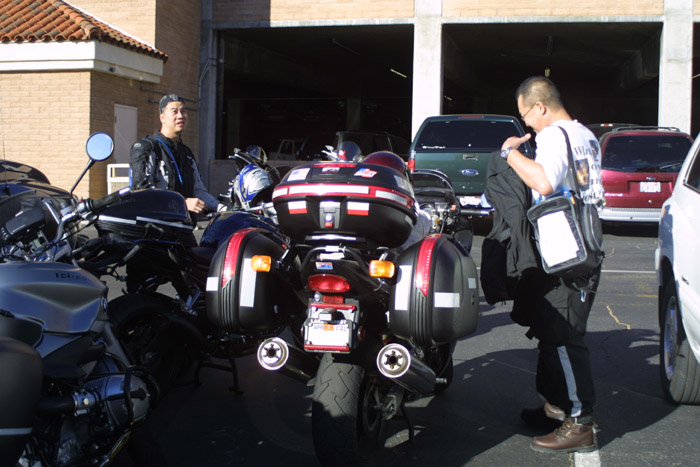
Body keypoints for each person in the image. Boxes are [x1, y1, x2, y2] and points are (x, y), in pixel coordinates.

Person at [499, 76, 604, 453]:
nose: (526, 124)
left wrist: (510, 152)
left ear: (540, 107)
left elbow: (544, 183)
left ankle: (580, 423)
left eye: (525, 115)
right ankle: (557, 406)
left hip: (566, 253)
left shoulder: (554, 135)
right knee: (552, 330)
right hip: (583, 245)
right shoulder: (585, 134)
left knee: (563, 336)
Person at [130, 94, 225, 215]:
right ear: (162, 117)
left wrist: (225, 209)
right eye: (174, 111)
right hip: (156, 224)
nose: (180, 116)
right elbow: (142, 192)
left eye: (183, 111)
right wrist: (182, 203)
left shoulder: (186, 153)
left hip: (184, 224)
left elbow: (198, 191)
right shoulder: (146, 148)